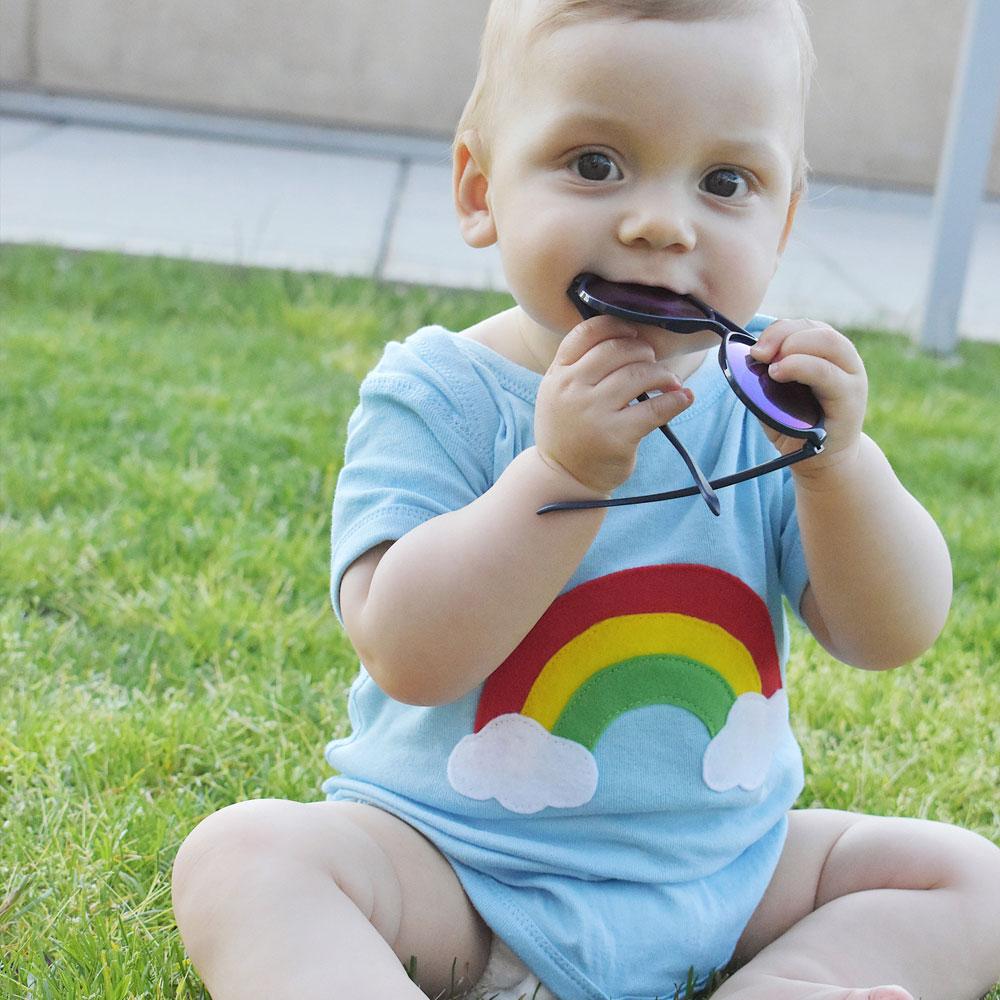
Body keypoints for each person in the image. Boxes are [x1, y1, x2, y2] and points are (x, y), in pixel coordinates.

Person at [171, 1, 1000, 998]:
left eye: (724, 181)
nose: (661, 221)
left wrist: (838, 466)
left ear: (781, 219)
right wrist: (557, 475)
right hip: (465, 879)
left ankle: (785, 981)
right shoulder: (442, 396)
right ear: (481, 189)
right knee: (249, 856)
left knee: (968, 878)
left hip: (723, 873)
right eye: (595, 163)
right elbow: (407, 650)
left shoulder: (768, 406)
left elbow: (890, 631)